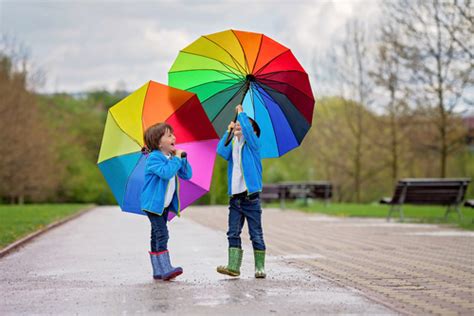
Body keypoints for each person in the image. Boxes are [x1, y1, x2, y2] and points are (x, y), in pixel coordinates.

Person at [216, 104, 266, 278]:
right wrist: (228, 131)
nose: (239, 124)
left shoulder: (253, 146)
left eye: (243, 124)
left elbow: (248, 131)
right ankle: (233, 266)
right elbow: (221, 151)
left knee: (256, 233)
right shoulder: (234, 146)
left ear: (252, 131)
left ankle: (260, 267)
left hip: (251, 197)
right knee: (232, 232)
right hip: (235, 198)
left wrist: (242, 114)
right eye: (237, 123)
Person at [141, 122, 192, 281]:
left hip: (162, 206)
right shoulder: (154, 158)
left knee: (156, 236)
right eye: (169, 135)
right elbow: (166, 173)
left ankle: (158, 270)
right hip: (152, 205)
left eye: (173, 134)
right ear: (158, 142)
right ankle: (166, 268)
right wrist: (175, 159)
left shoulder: (170, 157)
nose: (174, 138)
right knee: (162, 234)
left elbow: (186, 175)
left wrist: (182, 159)